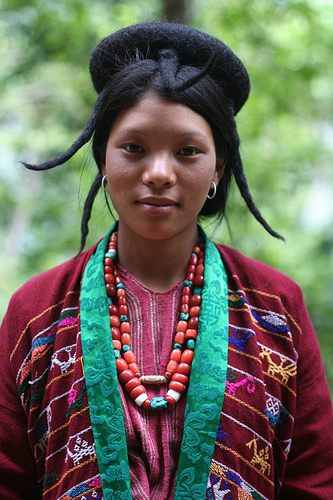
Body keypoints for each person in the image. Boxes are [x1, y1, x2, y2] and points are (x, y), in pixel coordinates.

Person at [0, 21, 332, 500]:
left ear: (218, 166)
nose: (159, 173)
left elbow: (314, 480)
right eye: (134, 147)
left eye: (188, 151)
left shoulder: (278, 308)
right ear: (103, 158)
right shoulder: (35, 312)